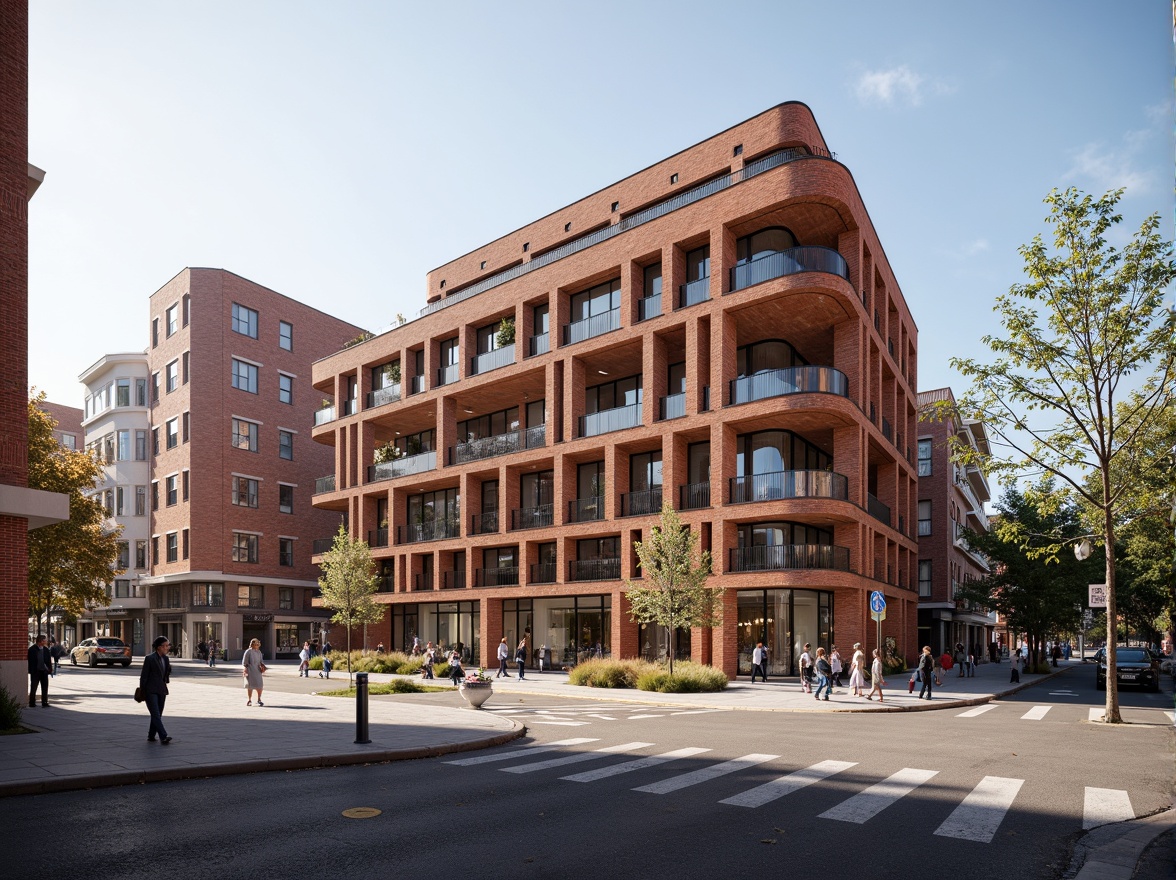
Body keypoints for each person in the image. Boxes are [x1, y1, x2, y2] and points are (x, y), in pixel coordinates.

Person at [140, 636, 172, 744]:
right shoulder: (150, 658)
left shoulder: (166, 659)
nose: (168, 648)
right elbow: (144, 676)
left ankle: (151, 735)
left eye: (168, 645)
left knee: (158, 713)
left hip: (161, 690)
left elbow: (165, 674)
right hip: (150, 690)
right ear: (159, 647)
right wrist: (143, 691)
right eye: (166, 646)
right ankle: (163, 736)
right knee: (155, 714)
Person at [27, 634, 51, 708]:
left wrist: (49, 669)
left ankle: (44, 702)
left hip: (44, 671)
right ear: (40, 641)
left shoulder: (46, 650)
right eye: (44, 640)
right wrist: (31, 670)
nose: (46, 642)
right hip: (35, 672)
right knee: (33, 687)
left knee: (45, 687)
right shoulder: (32, 649)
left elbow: (48, 661)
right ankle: (32, 702)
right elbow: (30, 661)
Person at [242, 638, 266, 706]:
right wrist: (246, 669)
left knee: (260, 685)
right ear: (252, 644)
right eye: (256, 644)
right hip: (250, 670)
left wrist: (263, 666)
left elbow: (261, 661)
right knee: (250, 686)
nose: (257, 645)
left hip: (258, 670)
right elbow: (245, 662)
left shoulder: (259, 652)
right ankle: (249, 700)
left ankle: (259, 699)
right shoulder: (248, 651)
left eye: (258, 644)